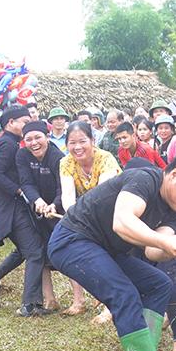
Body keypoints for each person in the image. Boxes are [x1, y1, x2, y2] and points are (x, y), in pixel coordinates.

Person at [47, 153, 176, 351]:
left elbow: (153, 251)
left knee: (158, 284)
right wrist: (163, 241)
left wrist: (174, 247)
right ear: (173, 175)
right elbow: (122, 222)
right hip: (71, 240)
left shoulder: (175, 213)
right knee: (124, 294)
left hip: (105, 249)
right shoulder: (145, 179)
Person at [0, 108, 55, 317]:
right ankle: (29, 305)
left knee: (26, 249)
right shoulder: (7, 144)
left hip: (9, 208)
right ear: (11, 122)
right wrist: (20, 189)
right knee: (35, 252)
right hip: (11, 209)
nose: (28, 125)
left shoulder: (10, 142)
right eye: (24, 121)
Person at [59, 121, 121, 315]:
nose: (77, 147)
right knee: (78, 252)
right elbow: (68, 198)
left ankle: (110, 307)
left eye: (82, 141)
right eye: (72, 142)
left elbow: (102, 197)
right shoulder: (66, 162)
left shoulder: (106, 159)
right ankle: (81, 301)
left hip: (113, 211)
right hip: (86, 214)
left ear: (93, 140)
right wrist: (75, 220)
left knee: (110, 258)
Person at [16, 119, 65, 314]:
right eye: (28, 139)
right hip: (38, 210)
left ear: (47, 137)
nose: (34, 143)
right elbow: (26, 182)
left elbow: (64, 187)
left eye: (38, 137)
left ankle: (79, 301)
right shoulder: (22, 155)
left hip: (59, 210)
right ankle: (50, 299)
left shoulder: (57, 157)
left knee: (67, 253)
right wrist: (37, 201)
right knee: (40, 253)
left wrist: (55, 203)